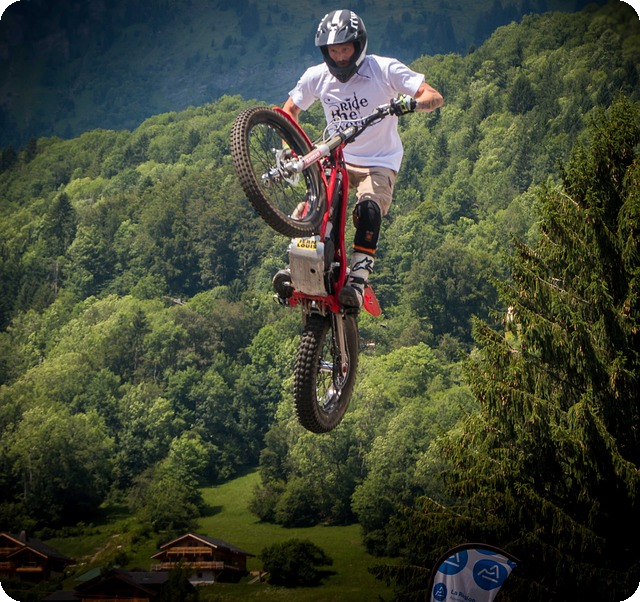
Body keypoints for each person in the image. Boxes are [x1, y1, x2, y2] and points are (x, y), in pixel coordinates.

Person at [277, 9, 443, 308]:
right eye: (333, 51)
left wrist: (410, 104)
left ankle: (359, 275)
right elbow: (289, 111)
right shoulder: (317, 76)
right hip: (337, 155)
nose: (340, 57)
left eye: (345, 49)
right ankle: (297, 265)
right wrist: (290, 146)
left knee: (368, 209)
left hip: (379, 161)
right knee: (315, 206)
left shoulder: (384, 68)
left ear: (359, 45)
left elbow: (433, 96)